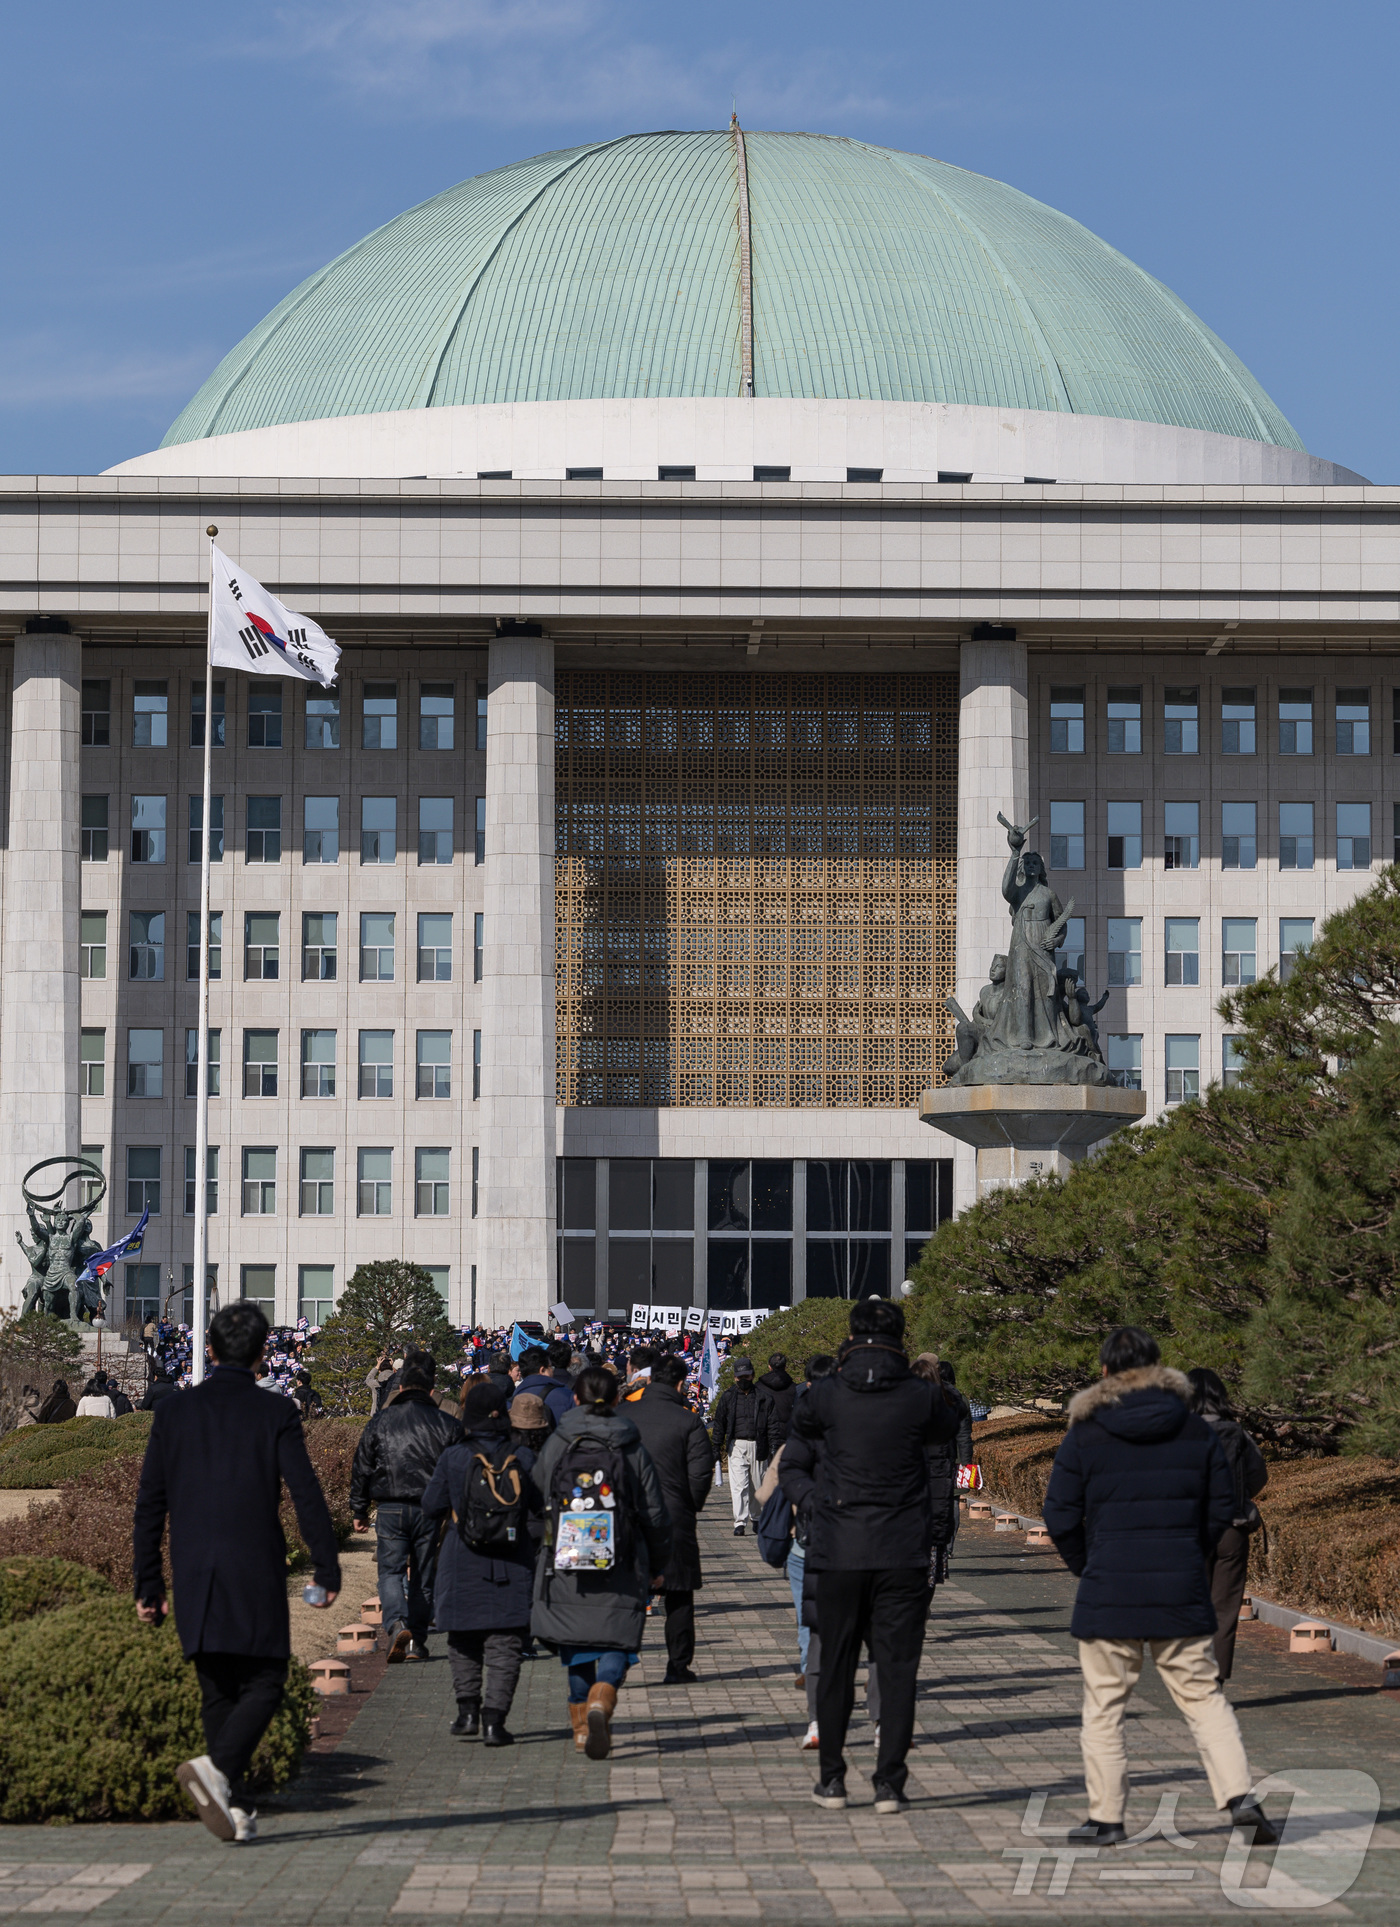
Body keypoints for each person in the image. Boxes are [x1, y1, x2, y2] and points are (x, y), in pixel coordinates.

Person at [1042, 1327, 1278, 1847]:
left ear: (1104, 1373)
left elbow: (1058, 1513)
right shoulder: (1194, 1431)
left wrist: (1089, 1563)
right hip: (1178, 1588)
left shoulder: (1085, 1432)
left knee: (1104, 1706)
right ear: (1158, 1370)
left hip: (1109, 1589)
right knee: (1203, 1697)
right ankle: (1240, 1797)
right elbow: (1222, 1506)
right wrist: (1187, 1556)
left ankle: (1107, 1818)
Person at [132, 1302, 341, 1845]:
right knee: (267, 1679)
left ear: (209, 1350)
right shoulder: (275, 1412)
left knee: (218, 1688)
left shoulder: (173, 1412)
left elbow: (150, 1504)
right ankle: (219, 1773)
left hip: (194, 1564)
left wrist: (148, 1583)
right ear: (262, 1353)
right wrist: (326, 1563)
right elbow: (306, 1492)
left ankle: (237, 1805)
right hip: (254, 1562)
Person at [780, 1298, 959, 1812]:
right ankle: (889, 1783)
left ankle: (832, 1779)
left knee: (835, 1664)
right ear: (900, 1339)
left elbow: (793, 1464)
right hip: (902, 1548)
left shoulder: (825, 1395)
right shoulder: (920, 1396)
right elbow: (950, 1422)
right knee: (898, 1668)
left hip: (838, 1546)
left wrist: (813, 1502)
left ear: (851, 1335)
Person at [529, 1365, 671, 1759]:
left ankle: (579, 1728)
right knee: (616, 1638)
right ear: (615, 1400)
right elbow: (654, 1512)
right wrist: (660, 1562)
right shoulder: (630, 1444)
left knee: (575, 1640)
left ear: (575, 1399)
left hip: (566, 1556)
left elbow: (538, 1490)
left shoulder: (558, 1442)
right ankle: (603, 1699)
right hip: (622, 1557)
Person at [421, 1381, 542, 1745]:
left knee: (462, 1638)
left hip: (462, 1557)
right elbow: (539, 1506)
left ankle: (467, 1713)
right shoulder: (522, 1456)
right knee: (505, 1644)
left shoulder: (454, 1456)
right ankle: (494, 1721)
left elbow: (430, 1506)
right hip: (512, 1559)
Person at [350, 1355, 463, 1661]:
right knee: (424, 1576)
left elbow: (362, 1466)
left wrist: (359, 1509)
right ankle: (416, 1640)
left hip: (390, 1505)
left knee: (390, 1571)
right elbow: (461, 1468)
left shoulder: (381, 1420)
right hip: (431, 1508)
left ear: (400, 1387)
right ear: (431, 1388)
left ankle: (397, 1623)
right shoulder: (448, 1423)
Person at [629, 1353, 713, 1684]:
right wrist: (689, 1506)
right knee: (679, 1596)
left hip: (630, 1517)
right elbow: (701, 1473)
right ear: (680, 1383)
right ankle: (677, 1665)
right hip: (674, 1516)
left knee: (626, 1595)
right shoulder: (688, 1420)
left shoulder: (623, 1415)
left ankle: (614, 1665)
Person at [1185, 1367, 1269, 1681]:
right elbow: (1258, 1475)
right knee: (1224, 1609)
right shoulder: (1237, 1433)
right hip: (1232, 1529)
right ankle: (1214, 1682)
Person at [710, 1357, 774, 1536]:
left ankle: (757, 1518)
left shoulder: (763, 1397)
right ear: (734, 1377)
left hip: (758, 1443)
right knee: (739, 1485)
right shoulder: (728, 1397)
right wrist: (716, 1445)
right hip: (736, 1444)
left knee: (757, 1484)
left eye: (746, 1375)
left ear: (753, 1375)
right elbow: (720, 1423)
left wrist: (774, 1446)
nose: (743, 1379)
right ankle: (739, 1521)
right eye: (740, 1377)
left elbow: (772, 1423)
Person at [757, 1353, 797, 1446]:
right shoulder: (794, 1388)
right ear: (785, 1366)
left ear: (769, 1367)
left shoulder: (758, 1387)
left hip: (765, 1436)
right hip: (787, 1437)